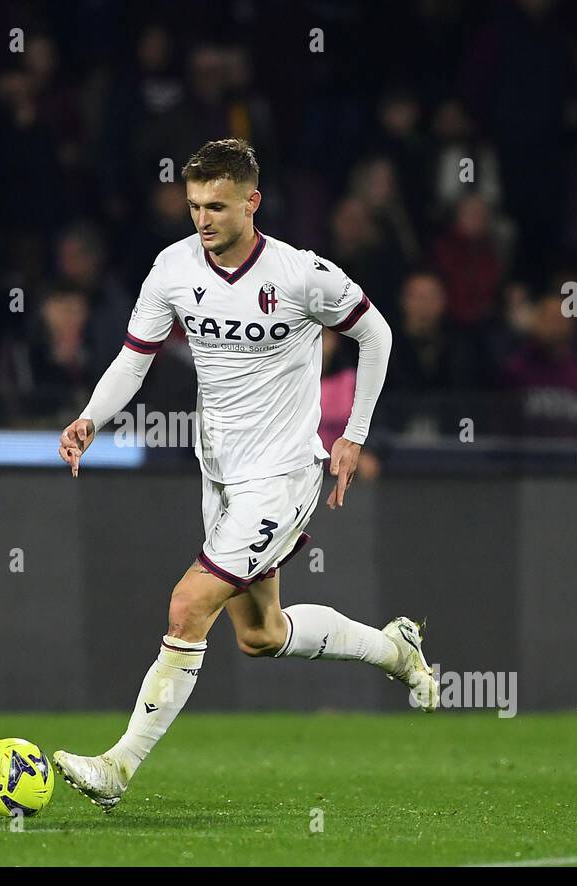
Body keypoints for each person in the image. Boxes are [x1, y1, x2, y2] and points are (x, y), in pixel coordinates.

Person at [52, 139, 437, 810]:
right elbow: (133, 359)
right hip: (221, 477)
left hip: (284, 476)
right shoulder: (172, 268)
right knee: (261, 634)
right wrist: (91, 416)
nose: (203, 219)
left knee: (187, 604)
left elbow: (377, 334)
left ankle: (119, 767)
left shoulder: (300, 274)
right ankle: (395, 649)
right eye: (195, 205)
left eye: (218, 206)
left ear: (251, 201)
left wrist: (354, 435)